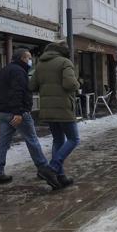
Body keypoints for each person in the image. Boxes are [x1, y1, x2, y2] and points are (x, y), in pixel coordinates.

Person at [0, 49, 61, 190]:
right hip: (17, 112)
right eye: (29, 58)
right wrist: (18, 112)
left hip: (4, 112)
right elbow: (17, 92)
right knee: (32, 140)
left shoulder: (6, 69)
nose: (30, 61)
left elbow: (1, 91)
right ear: (23, 58)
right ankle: (44, 169)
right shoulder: (18, 71)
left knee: (3, 143)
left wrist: (1, 110)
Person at [29, 41, 80, 188]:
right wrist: (78, 84)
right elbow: (70, 84)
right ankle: (52, 168)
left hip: (47, 109)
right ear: (63, 51)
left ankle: (60, 176)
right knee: (73, 139)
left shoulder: (40, 64)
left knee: (58, 140)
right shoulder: (65, 62)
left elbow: (32, 86)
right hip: (63, 107)